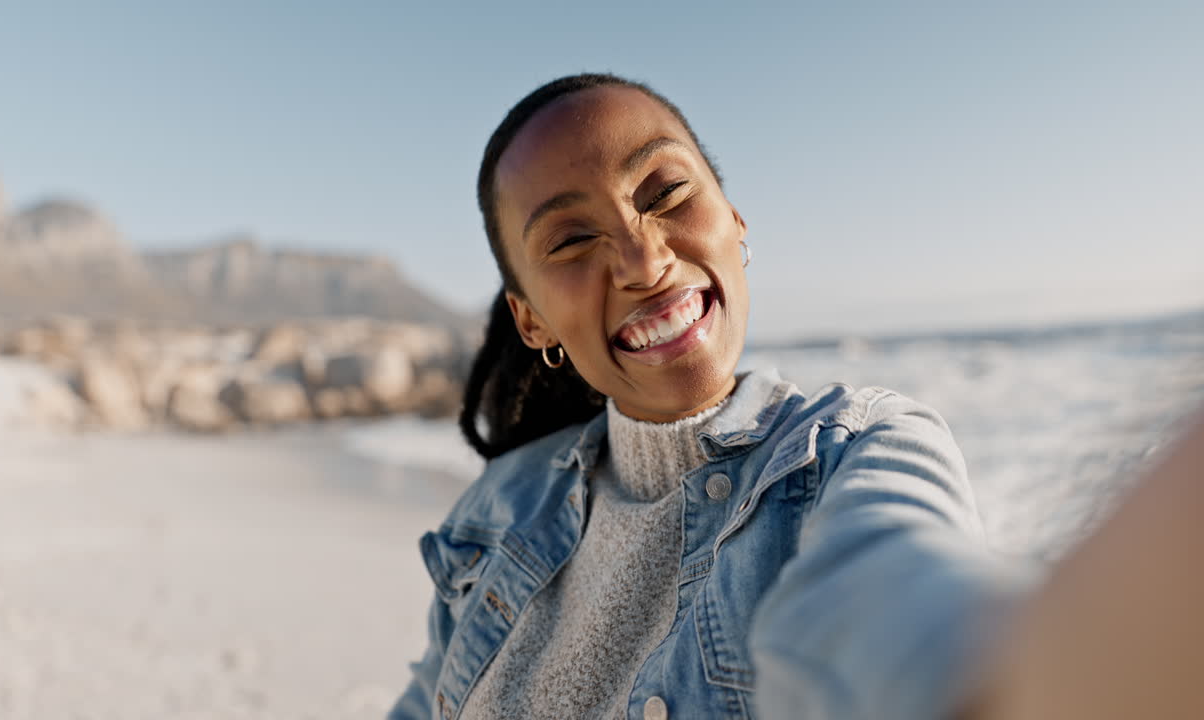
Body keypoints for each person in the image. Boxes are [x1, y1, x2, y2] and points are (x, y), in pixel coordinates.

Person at [389, 73, 1029, 720]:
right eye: (573, 239)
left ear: (733, 216)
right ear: (532, 320)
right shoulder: (496, 508)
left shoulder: (853, 453)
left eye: (665, 193)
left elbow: (918, 613)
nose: (644, 261)